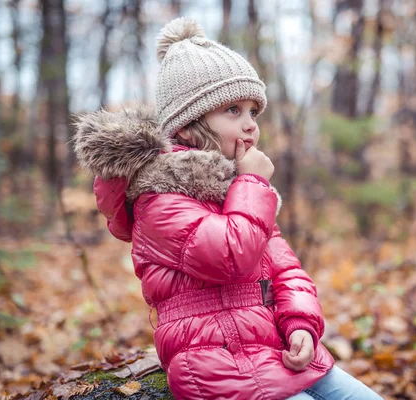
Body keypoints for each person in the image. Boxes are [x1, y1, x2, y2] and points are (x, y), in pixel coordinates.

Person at [73, 17, 383, 400]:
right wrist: (254, 184)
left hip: (274, 348)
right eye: (233, 111)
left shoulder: (235, 191)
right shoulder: (159, 198)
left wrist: (300, 322)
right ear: (187, 126)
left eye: (254, 112)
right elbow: (228, 256)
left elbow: (284, 268)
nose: (251, 125)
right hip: (217, 365)